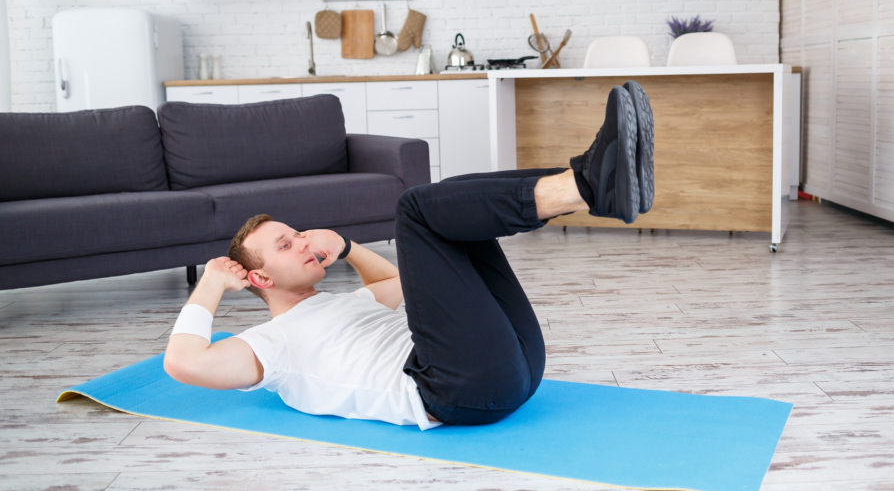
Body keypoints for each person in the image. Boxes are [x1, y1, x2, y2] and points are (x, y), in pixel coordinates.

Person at [163, 81, 654, 429]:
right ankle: (590, 185)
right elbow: (184, 363)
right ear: (260, 279)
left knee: (455, 208)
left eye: (298, 234)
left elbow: (400, 284)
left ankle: (590, 180)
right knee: (415, 208)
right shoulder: (271, 344)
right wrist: (213, 280)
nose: (303, 242)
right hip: (459, 388)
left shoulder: (342, 305)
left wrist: (348, 247)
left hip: (518, 363)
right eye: (285, 245)